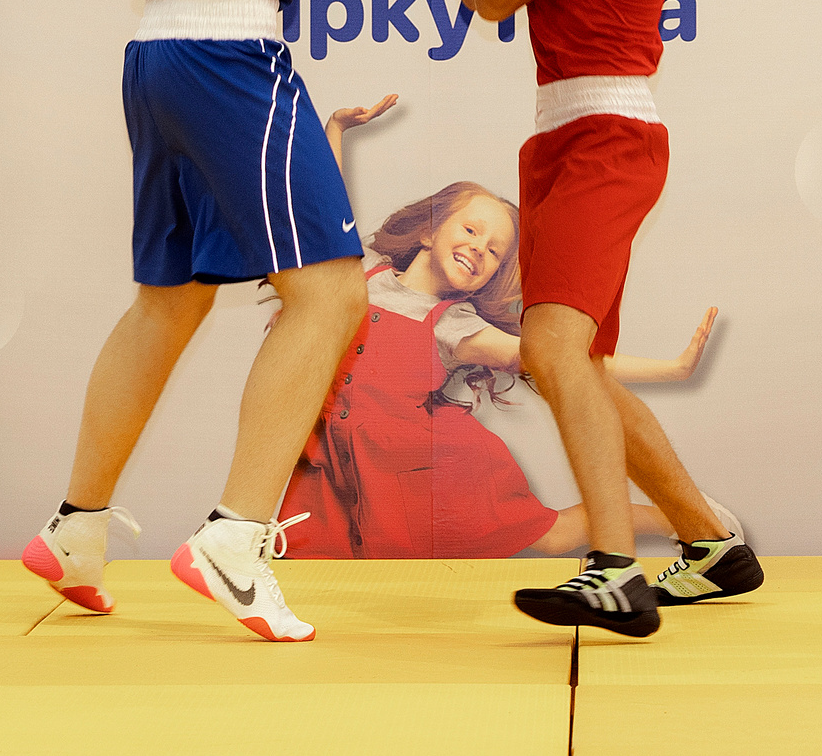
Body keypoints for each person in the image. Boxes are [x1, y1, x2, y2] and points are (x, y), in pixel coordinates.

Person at [17, 0, 431, 643]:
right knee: (330, 293)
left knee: (169, 302)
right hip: (228, 53)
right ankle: (233, 540)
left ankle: (73, 528)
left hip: (155, 54)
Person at [430, 0, 764, 638]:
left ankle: (615, 571)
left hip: (608, 129)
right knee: (569, 362)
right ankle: (710, 542)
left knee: (553, 349)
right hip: (563, 131)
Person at [279, 94, 728, 560]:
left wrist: (671, 369)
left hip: (422, 475)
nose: (479, 249)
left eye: (494, 251)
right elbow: (328, 214)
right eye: (471, 231)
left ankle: (693, 521)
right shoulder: (361, 280)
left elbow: (564, 362)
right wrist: (336, 130)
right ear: (429, 232)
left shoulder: (454, 326)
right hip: (333, 469)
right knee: (319, 558)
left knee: (553, 535)